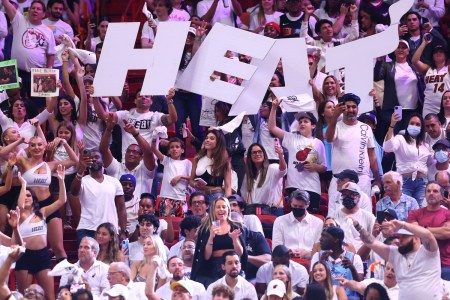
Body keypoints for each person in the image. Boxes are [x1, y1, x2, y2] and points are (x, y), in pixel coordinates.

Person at [349, 217, 442, 299]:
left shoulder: (429, 252)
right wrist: (358, 226)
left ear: (416, 238)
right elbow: (371, 242)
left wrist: (402, 225)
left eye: (404, 236)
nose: (400, 239)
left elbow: (428, 235)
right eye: (400, 235)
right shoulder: (396, 254)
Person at [15, 165, 66, 299]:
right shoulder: (18, 216)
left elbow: (62, 201)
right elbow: (20, 206)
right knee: (25, 296)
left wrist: (61, 180)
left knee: (50, 296)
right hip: (24, 257)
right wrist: (24, 184)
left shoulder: (42, 213)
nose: (26, 198)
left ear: (34, 200)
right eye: (24, 195)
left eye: (29, 196)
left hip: (43, 256)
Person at [269, 99, 326, 212]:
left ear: (313, 126)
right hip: (293, 186)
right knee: (292, 220)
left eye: (306, 121)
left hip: (312, 188)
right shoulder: (291, 138)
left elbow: (324, 167)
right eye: (300, 122)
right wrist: (274, 108)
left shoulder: (318, 143)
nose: (302, 123)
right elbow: (272, 128)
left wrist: (315, 167)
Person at [93, 88, 177, 161]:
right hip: (127, 161)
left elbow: (173, 119)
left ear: (151, 101)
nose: (143, 97)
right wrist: (95, 97)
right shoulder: (125, 115)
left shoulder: (156, 116)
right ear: (135, 101)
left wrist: (169, 101)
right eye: (140, 95)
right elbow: (103, 116)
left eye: (147, 96)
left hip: (148, 163)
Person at [325, 93, 381, 199]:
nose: (351, 110)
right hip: (339, 179)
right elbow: (328, 138)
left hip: (362, 179)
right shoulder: (336, 126)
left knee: (363, 213)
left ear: (358, 109)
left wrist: (377, 179)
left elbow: (372, 156)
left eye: (353, 107)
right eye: (347, 107)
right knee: (337, 214)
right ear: (342, 109)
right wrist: (335, 117)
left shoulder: (366, 128)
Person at [70, 149, 126, 246]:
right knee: (87, 260)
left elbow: (121, 208)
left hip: (110, 229)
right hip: (87, 228)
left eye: (96, 157)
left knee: (109, 260)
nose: (93, 159)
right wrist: (80, 171)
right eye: (91, 158)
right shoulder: (82, 181)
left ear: (103, 162)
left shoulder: (114, 182)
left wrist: (123, 230)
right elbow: (74, 192)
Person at [2, 0, 56, 102]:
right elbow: (6, 3)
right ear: (29, 10)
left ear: (44, 14)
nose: (35, 10)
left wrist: (49, 74)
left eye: (38, 9)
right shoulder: (19, 19)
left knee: (41, 105)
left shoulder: (48, 32)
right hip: (13, 69)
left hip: (38, 72)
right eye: (33, 8)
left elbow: (51, 55)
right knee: (9, 103)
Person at [191, 197, 246, 287]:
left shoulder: (236, 226)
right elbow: (206, 256)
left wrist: (234, 239)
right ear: (213, 210)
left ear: (228, 209)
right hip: (214, 265)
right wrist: (211, 237)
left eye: (224, 207)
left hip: (232, 263)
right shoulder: (206, 228)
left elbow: (240, 253)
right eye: (218, 207)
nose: (221, 209)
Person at [374, 40, 425, 135]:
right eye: (398, 47)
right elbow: (377, 76)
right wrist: (379, 61)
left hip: (412, 109)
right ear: (394, 50)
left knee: (409, 138)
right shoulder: (388, 66)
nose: (401, 49)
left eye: (404, 47)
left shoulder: (413, 67)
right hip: (394, 110)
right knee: (395, 137)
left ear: (408, 51)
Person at [101, 115, 156, 200]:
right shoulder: (116, 167)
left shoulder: (145, 170)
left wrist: (135, 133)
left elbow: (148, 153)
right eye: (128, 151)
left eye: (135, 152)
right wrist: (108, 130)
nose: (131, 154)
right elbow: (104, 150)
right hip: (116, 209)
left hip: (139, 211)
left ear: (141, 157)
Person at [384, 112, 432, 207]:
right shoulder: (400, 139)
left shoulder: (425, 145)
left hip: (422, 183)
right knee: (404, 211)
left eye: (418, 124)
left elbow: (430, 163)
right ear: (407, 125)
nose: (415, 126)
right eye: (412, 123)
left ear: (421, 128)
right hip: (405, 182)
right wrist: (392, 125)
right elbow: (387, 147)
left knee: (420, 212)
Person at [407, 181, 450, 280]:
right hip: (421, 263)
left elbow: (447, 233)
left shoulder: (448, 213)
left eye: (435, 191)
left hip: (445, 264)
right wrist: (439, 231)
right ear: (425, 195)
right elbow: (415, 232)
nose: (431, 193)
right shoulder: (414, 213)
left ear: (442, 196)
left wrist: (423, 229)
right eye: (428, 191)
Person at [311, 226, 363, 298]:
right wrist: (321, 263)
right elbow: (311, 283)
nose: (320, 239)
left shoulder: (355, 258)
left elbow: (361, 288)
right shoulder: (318, 256)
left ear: (336, 240)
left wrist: (352, 269)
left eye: (324, 236)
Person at [272, 189, 323, 258]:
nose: (297, 208)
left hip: (310, 260)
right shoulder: (279, 221)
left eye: (301, 207)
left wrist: (306, 253)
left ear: (308, 204)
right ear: (290, 203)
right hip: (287, 260)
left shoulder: (318, 223)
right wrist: (288, 251)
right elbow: (276, 248)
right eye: (295, 206)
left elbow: (319, 250)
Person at [240, 143, 286, 216]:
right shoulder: (248, 175)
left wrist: (281, 156)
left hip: (272, 211)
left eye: (260, 151)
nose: (257, 154)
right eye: (254, 152)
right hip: (253, 212)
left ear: (264, 154)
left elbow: (283, 170)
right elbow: (244, 195)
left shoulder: (272, 168)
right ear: (250, 156)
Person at [152, 137, 192, 217]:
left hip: (181, 198)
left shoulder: (187, 163)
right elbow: (154, 149)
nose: (174, 149)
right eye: (172, 147)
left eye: (177, 147)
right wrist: (155, 137)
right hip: (166, 197)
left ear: (182, 150)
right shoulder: (167, 160)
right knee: (166, 225)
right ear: (169, 151)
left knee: (180, 225)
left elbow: (192, 177)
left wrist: (180, 177)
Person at [412, 34, 450, 117]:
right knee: (428, 129)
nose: (438, 53)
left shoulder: (448, 68)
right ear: (432, 56)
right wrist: (424, 43)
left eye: (441, 52)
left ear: (445, 55)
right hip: (429, 107)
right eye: (435, 52)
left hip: (446, 106)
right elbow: (414, 61)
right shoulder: (428, 69)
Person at [189, 130, 232, 203]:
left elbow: (228, 186)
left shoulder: (224, 162)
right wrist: (195, 184)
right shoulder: (197, 159)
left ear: (218, 143)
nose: (207, 140)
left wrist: (228, 203)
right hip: (200, 196)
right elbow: (191, 180)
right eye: (206, 138)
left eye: (212, 138)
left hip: (216, 196)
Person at [334, 182, 375, 251]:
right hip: (341, 254)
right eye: (345, 195)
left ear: (358, 197)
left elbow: (373, 238)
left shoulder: (368, 217)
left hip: (362, 255)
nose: (347, 197)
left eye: (351, 194)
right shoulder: (334, 215)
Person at [42, 0, 74, 69]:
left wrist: (59, 42)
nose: (58, 11)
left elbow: (71, 48)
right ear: (50, 9)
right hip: (42, 63)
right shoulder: (41, 24)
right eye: (56, 8)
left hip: (59, 64)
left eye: (60, 9)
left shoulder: (67, 27)